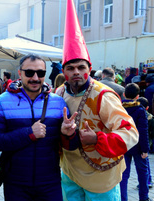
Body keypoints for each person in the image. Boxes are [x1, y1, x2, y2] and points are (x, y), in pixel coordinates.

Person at [56, 0, 138, 200]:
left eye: (81, 67)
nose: (76, 72)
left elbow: (130, 133)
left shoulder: (103, 95)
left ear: (89, 69)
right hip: (69, 173)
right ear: (63, 71)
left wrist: (97, 138)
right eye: (71, 68)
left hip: (101, 176)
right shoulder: (57, 93)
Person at [0, 54, 68, 201]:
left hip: (50, 182)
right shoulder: (2, 102)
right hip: (16, 183)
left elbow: (70, 145)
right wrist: (29, 133)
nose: (35, 78)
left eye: (41, 73)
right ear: (20, 73)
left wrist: (69, 135)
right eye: (29, 73)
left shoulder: (59, 103)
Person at [120, 83, 150, 201]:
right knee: (142, 173)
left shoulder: (119, 108)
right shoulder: (140, 110)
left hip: (123, 145)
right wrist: (145, 149)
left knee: (123, 174)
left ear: (124, 94)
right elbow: (143, 131)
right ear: (137, 96)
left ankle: (123, 198)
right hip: (138, 146)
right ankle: (144, 197)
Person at [138, 97, 154, 187]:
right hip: (146, 144)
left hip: (136, 144)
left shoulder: (134, 113)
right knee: (145, 163)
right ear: (147, 107)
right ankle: (148, 180)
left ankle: (147, 181)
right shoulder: (150, 118)